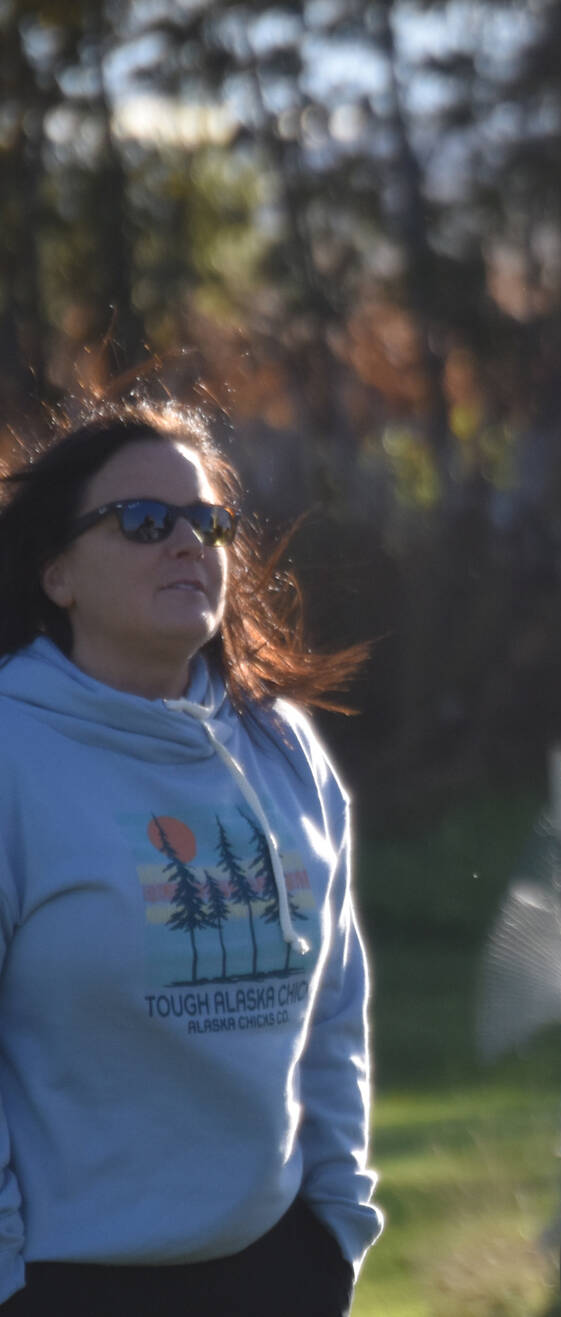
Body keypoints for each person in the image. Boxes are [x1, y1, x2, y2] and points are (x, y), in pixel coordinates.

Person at [0, 401, 379, 1316]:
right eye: (142, 521)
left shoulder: (281, 748)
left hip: (277, 1268)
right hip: (63, 1283)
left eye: (207, 523)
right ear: (57, 573)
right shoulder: (12, 754)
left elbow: (335, 1013)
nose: (185, 542)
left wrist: (333, 1226)